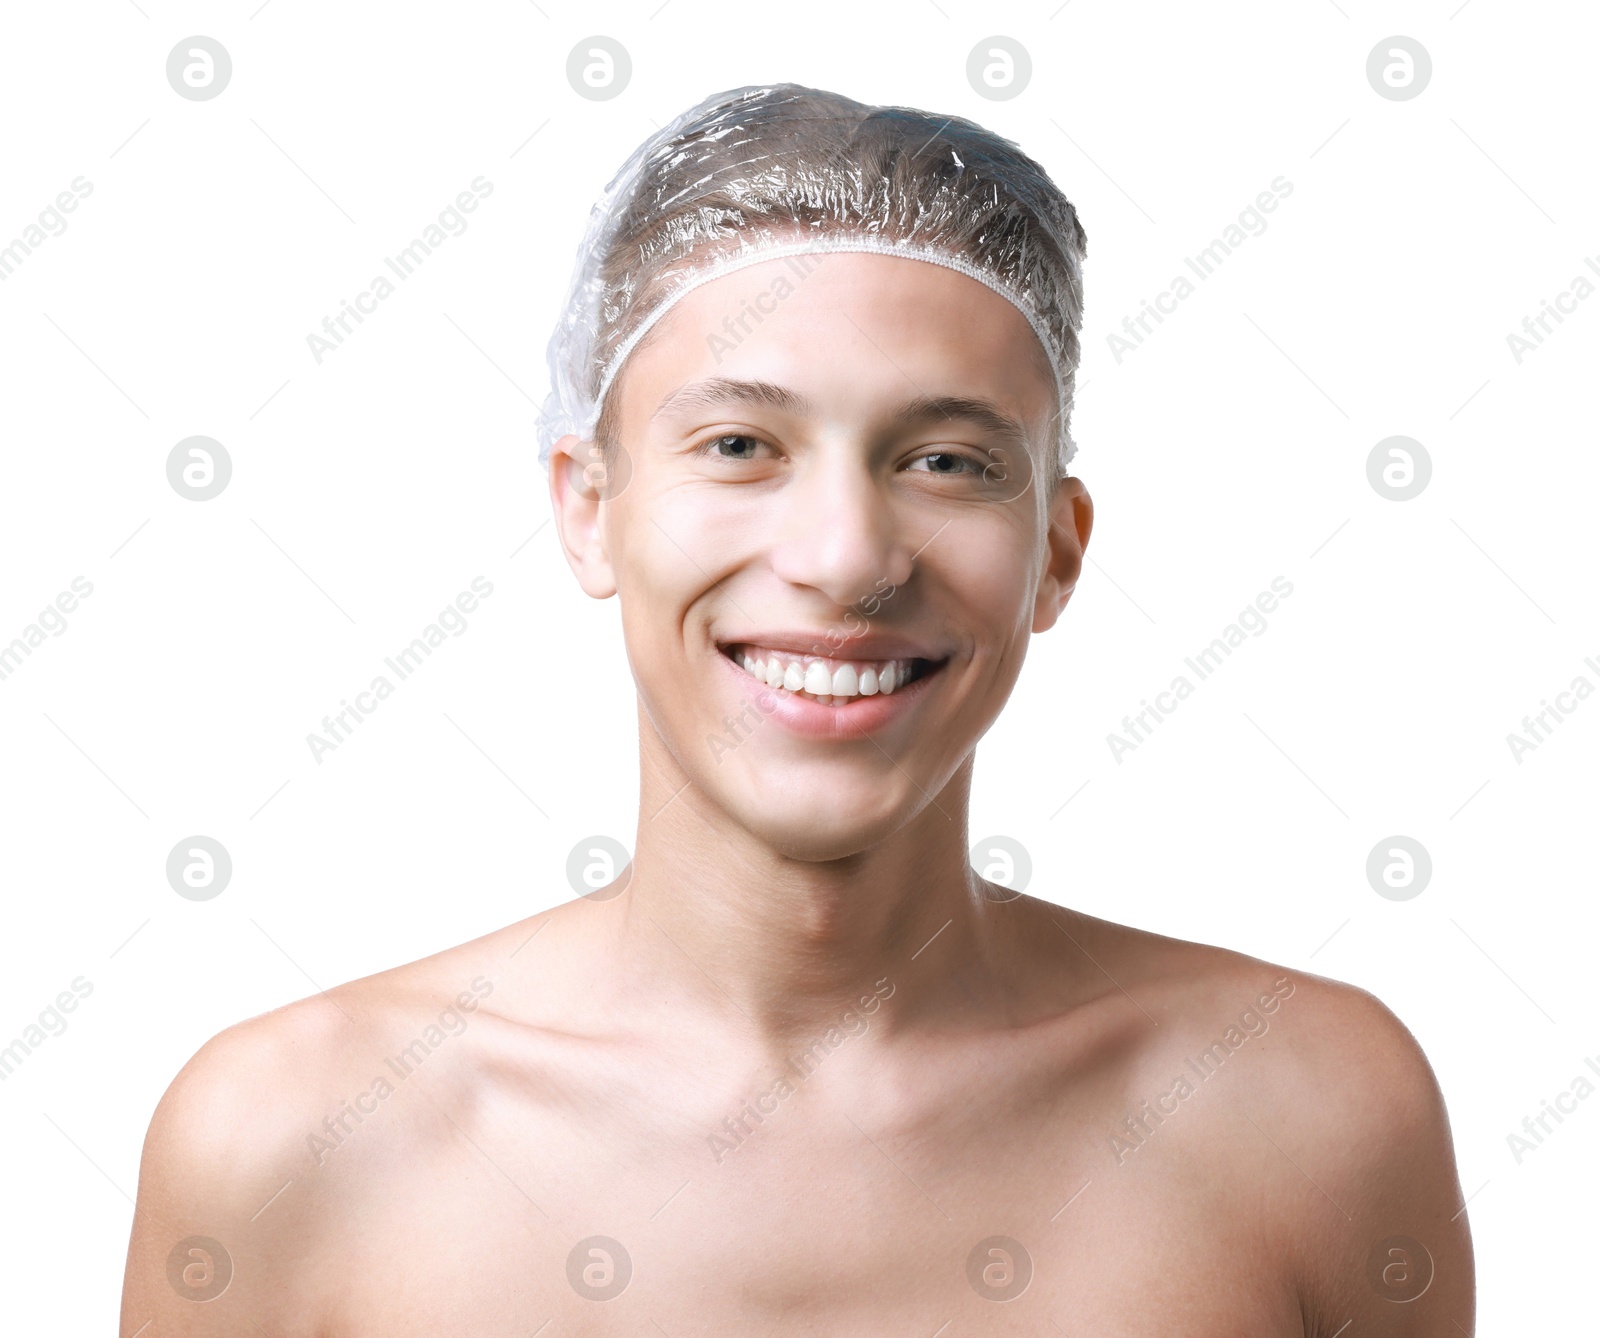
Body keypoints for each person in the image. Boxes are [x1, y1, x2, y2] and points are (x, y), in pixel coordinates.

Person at [122, 84, 1474, 1335]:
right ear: (588, 506)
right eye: (740, 446)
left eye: (946, 459)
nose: (845, 554)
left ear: (1056, 548)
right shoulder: (290, 1142)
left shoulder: (1311, 1116)